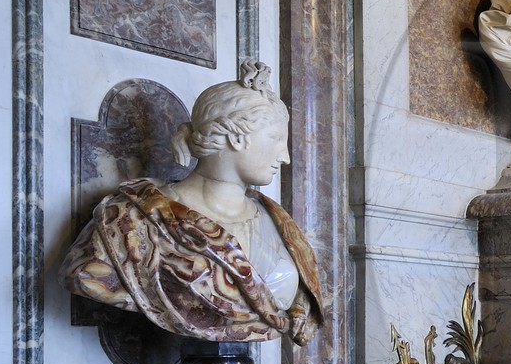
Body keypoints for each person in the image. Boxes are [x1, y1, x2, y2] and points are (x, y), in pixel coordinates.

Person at [60, 61, 322, 345]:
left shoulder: (278, 222)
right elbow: (85, 275)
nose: (285, 156)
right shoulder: (129, 221)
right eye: (275, 139)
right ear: (235, 135)